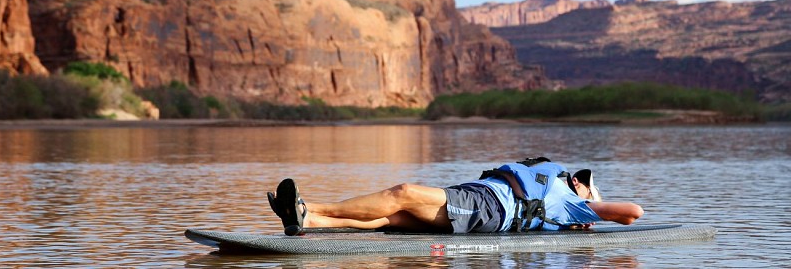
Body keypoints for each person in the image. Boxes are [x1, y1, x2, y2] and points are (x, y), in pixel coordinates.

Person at [267, 159, 644, 236]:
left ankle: (307, 206)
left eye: (584, 182)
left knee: (403, 194)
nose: (577, 180)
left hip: (490, 208)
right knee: (392, 217)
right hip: (480, 198)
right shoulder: (563, 191)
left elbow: (633, 212)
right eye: (580, 180)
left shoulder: (572, 202)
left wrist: (591, 214)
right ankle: (309, 222)